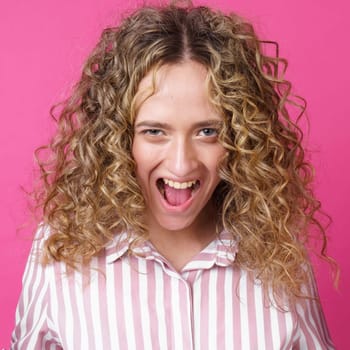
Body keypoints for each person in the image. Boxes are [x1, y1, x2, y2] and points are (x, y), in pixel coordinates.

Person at [11, 1, 336, 349]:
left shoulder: (282, 258)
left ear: (242, 138)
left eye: (207, 132)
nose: (181, 165)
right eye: (154, 131)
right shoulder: (60, 252)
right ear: (119, 137)